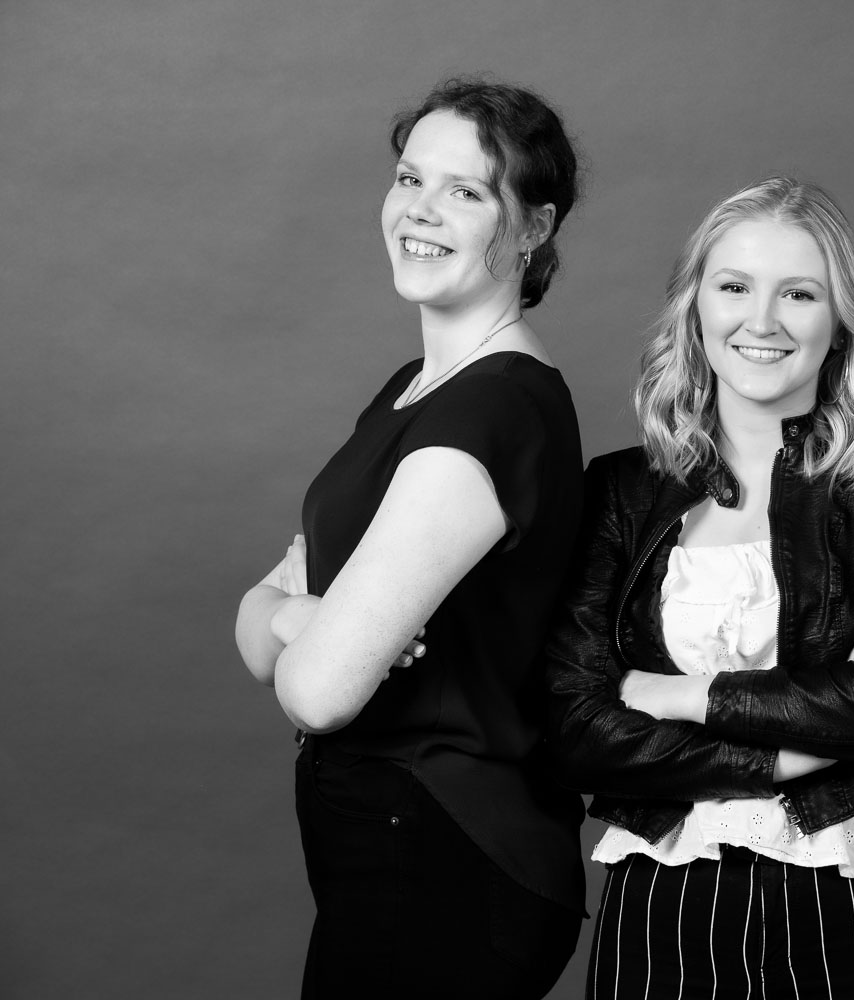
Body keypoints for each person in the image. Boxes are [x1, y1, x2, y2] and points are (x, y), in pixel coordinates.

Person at [546, 176, 854, 999]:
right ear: (694, 306)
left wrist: (679, 695)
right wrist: (809, 740)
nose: (763, 321)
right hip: (666, 893)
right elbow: (577, 728)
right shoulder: (621, 492)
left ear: (839, 322)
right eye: (735, 287)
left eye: (799, 294)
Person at [233, 77, 585, 998]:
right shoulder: (413, 390)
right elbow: (258, 624)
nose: (419, 211)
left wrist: (291, 620)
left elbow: (318, 693)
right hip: (392, 858)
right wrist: (299, 618)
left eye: (465, 191)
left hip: (445, 862)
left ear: (534, 226)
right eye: (408, 179)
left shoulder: (492, 413)